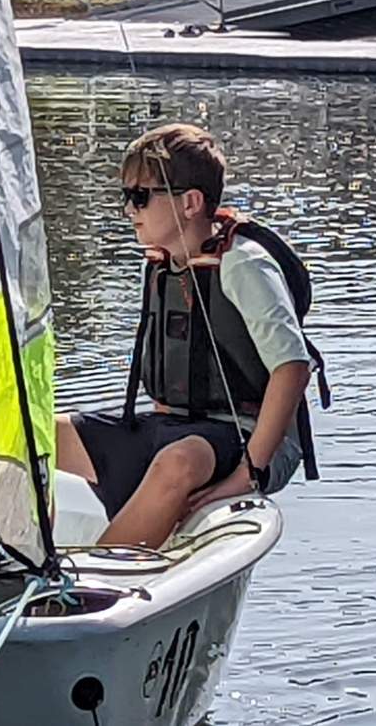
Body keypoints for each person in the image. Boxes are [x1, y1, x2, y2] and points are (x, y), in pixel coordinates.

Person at [56, 123, 326, 548]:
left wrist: (246, 475)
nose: (130, 209)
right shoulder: (166, 264)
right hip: (176, 426)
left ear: (190, 203)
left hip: (246, 436)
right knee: (32, 434)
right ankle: (18, 560)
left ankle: (96, 581)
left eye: (140, 196)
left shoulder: (243, 265)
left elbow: (292, 369)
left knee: (179, 460)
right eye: (126, 197)